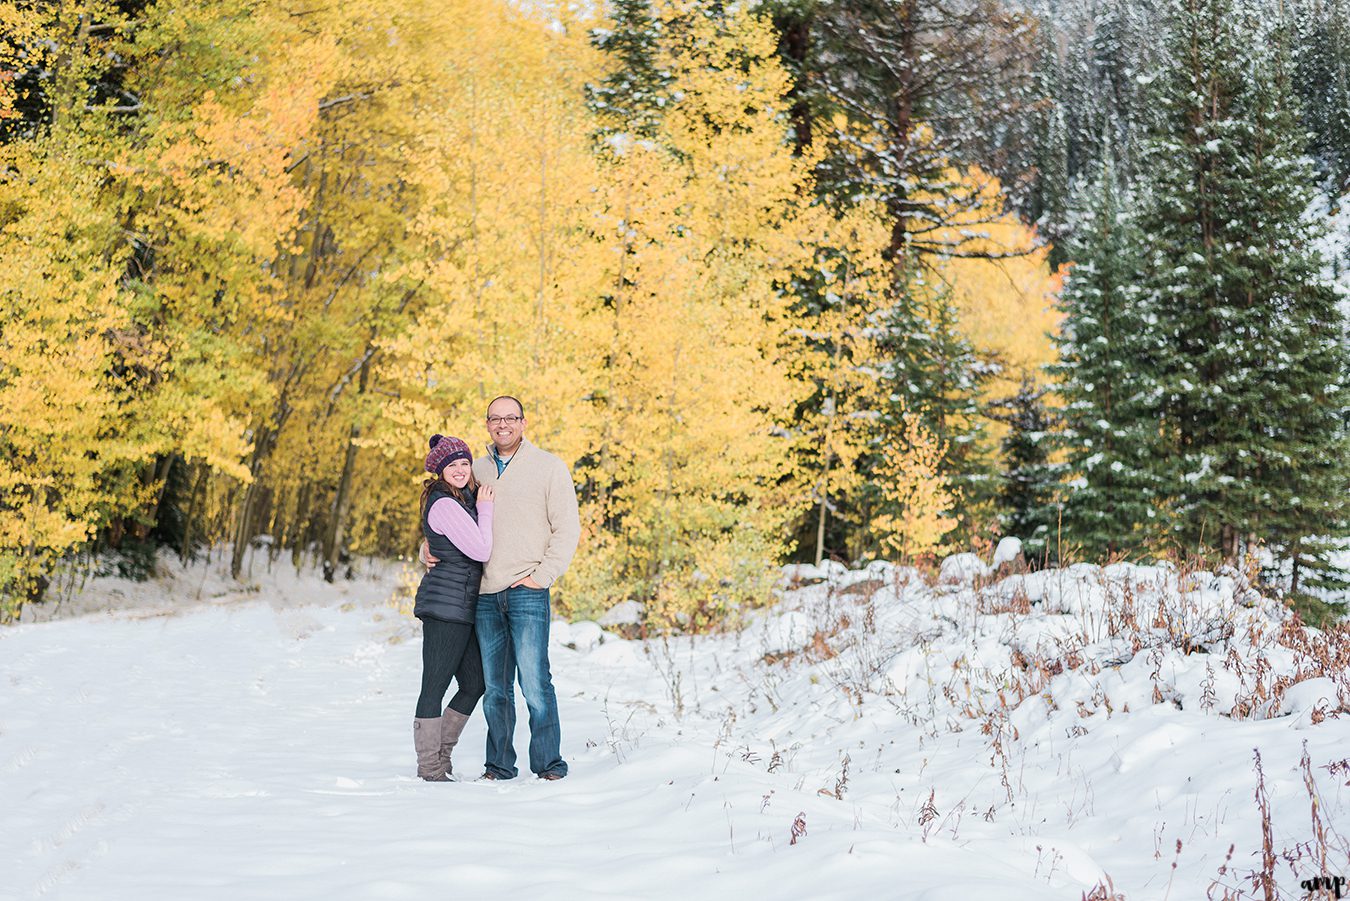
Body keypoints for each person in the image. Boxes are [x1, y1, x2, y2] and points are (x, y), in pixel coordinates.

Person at [422, 396, 580, 781]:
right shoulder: (471, 468)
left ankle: (548, 765)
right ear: (487, 423)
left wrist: (542, 576)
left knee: (535, 682)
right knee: (495, 687)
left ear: (524, 422)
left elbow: (567, 529)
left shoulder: (548, 467)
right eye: (496, 418)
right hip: (484, 594)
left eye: (511, 418)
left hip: (528, 587)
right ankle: (499, 766)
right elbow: (447, 515)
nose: (503, 424)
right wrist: (426, 547)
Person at [412, 434, 494, 782]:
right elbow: (480, 550)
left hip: (461, 607)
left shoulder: (459, 499)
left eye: (464, 463)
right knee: (434, 686)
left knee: (475, 683)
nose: (460, 470)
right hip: (445, 609)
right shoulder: (445, 503)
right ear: (440, 469)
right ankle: (430, 766)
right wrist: (487, 508)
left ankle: (442, 755)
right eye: (452, 465)